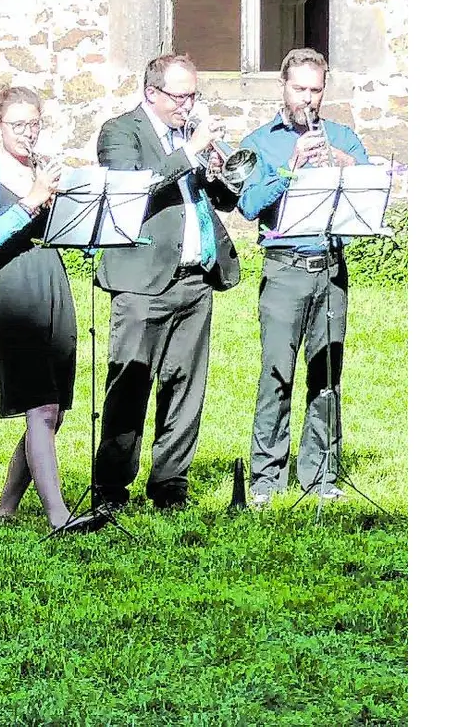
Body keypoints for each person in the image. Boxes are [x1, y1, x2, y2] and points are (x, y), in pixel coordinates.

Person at [93, 53, 241, 511]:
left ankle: (171, 485)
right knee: (129, 383)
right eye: (181, 96)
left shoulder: (185, 135)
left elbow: (221, 201)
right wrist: (190, 150)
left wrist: (222, 173)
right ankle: (111, 489)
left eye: (194, 95)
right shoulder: (120, 132)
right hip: (141, 281)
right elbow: (133, 187)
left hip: (195, 278)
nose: (189, 104)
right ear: (151, 93)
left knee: (185, 385)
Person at [0, 86, 103, 533]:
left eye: (34, 124)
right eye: (18, 125)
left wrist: (82, 220)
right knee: (39, 407)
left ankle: (5, 508)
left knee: (55, 409)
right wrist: (31, 200)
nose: (28, 133)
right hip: (15, 286)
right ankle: (58, 515)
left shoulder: (46, 171)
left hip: (52, 280)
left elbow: (71, 233)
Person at [236, 48, 370, 507]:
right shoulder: (260, 141)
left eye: (316, 90)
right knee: (276, 372)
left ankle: (320, 474)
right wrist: (292, 167)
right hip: (284, 268)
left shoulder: (343, 138)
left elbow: (369, 189)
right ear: (283, 86)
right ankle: (266, 477)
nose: (308, 99)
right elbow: (249, 205)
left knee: (327, 374)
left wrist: (336, 160)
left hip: (332, 268)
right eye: (300, 89)